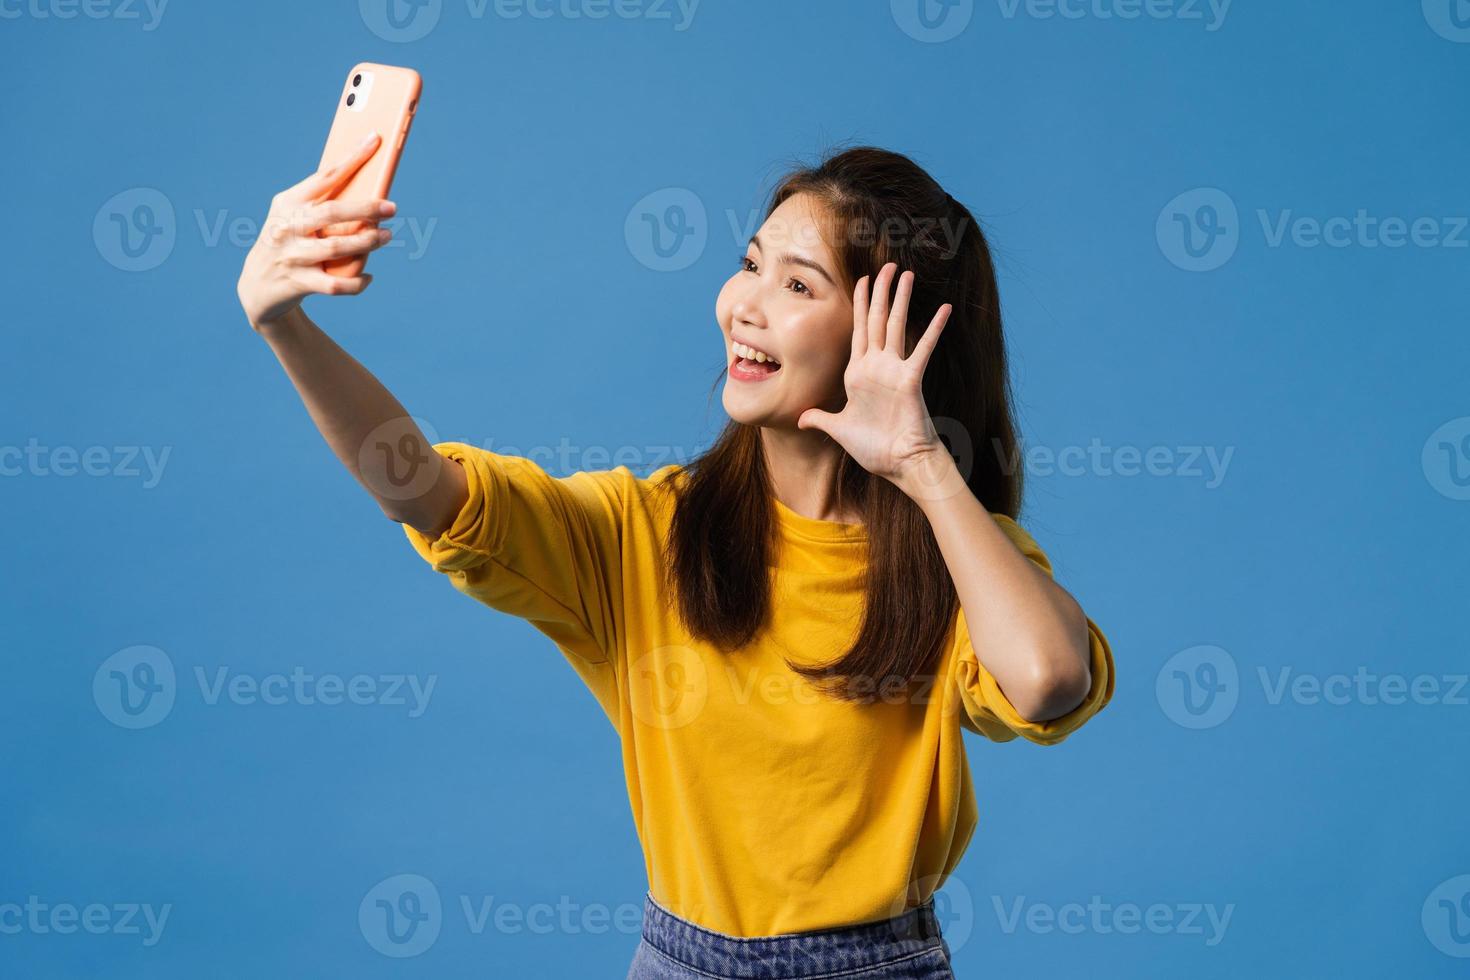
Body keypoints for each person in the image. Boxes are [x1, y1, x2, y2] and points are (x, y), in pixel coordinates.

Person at [236, 141, 1116, 979]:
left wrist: (925, 468)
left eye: (798, 284)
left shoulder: (956, 558)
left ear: (892, 340)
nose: (745, 303)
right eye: (751, 263)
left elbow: (1045, 677)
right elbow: (423, 489)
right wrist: (286, 328)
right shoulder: (643, 532)